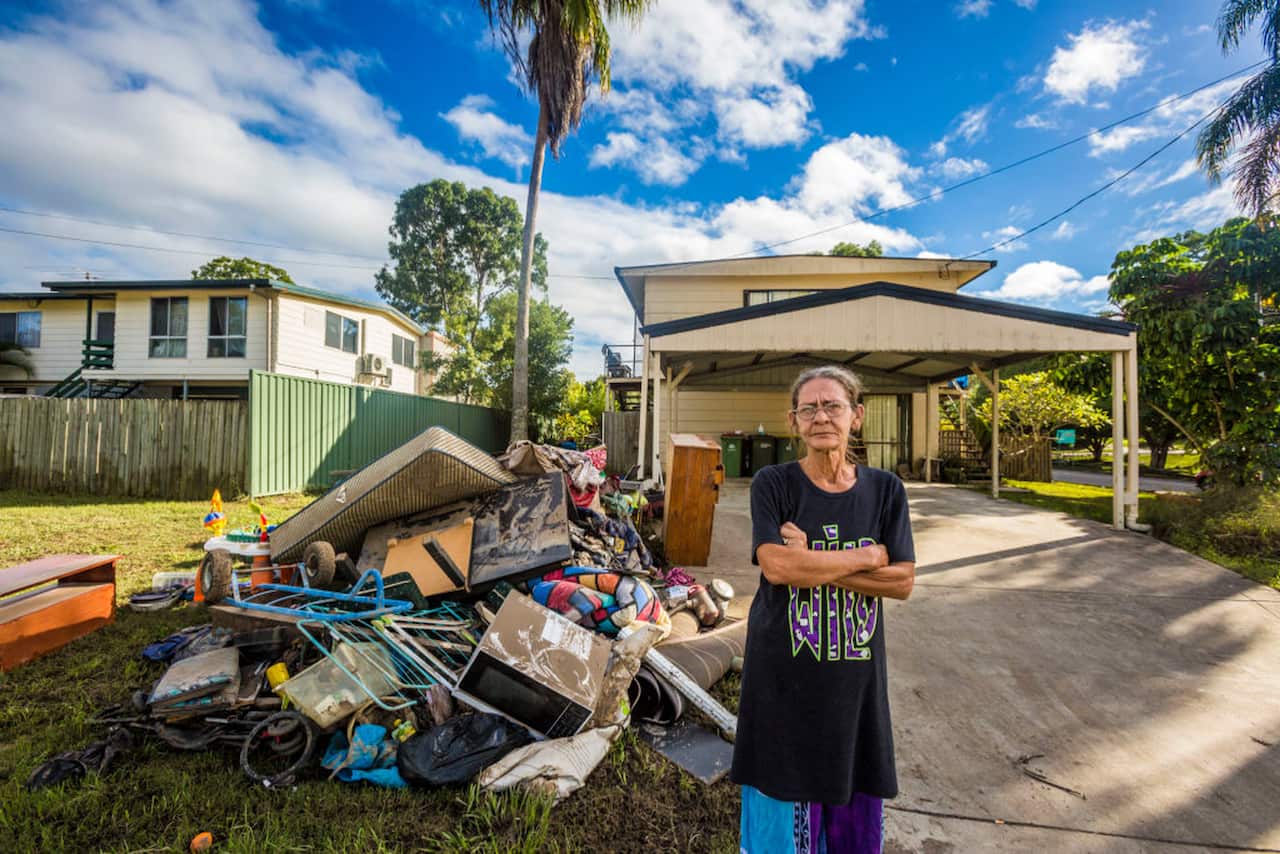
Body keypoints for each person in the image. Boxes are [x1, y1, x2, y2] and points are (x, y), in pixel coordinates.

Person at [731, 365, 916, 854]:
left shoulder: (884, 490)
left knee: (853, 827)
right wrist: (866, 556)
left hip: (854, 689)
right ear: (793, 421)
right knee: (780, 831)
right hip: (781, 685)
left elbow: (901, 582)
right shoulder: (773, 484)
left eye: (832, 405)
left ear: (856, 416)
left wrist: (813, 558)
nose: (820, 416)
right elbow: (776, 567)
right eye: (808, 408)